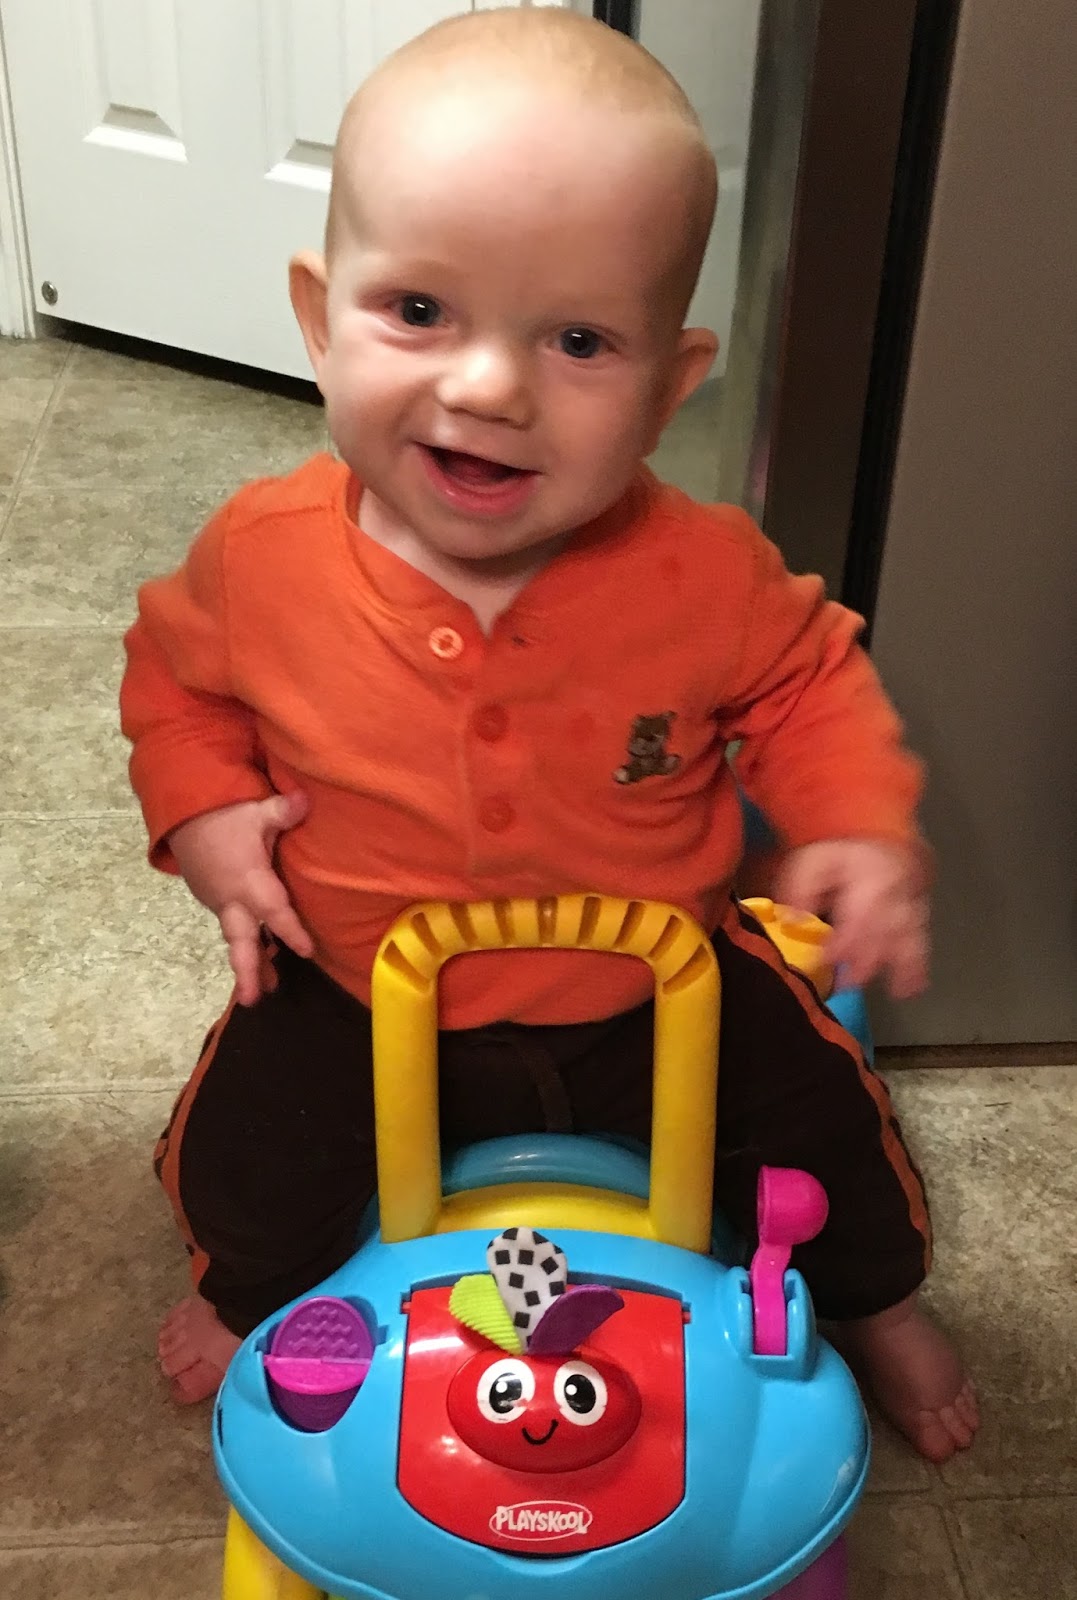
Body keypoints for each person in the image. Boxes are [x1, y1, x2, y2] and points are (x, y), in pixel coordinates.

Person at [120, 7, 977, 1463]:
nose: (489, 388)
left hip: (658, 984)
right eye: (418, 311)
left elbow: (806, 681)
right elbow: (174, 682)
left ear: (670, 382)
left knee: (820, 1128)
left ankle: (876, 1304)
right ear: (318, 319)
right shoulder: (260, 559)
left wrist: (853, 821)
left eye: (578, 340)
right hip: (354, 980)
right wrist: (203, 812)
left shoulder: (702, 571)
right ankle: (247, 1284)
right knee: (244, 1154)